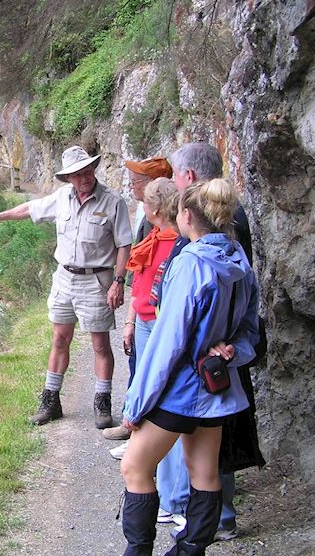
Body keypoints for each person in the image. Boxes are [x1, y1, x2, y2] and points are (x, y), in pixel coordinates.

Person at [119, 178, 260, 555]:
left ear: (186, 216)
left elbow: (168, 342)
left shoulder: (190, 263)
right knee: (204, 473)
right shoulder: (237, 258)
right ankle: (190, 551)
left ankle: (139, 551)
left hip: (182, 388)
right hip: (217, 385)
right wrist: (231, 352)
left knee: (134, 466)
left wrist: (136, 405)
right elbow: (250, 331)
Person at [0, 145, 132, 428]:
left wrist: (119, 281)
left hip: (96, 280)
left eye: (87, 172)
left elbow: (124, 244)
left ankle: (102, 402)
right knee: (59, 339)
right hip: (64, 279)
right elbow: (29, 209)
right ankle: (50, 401)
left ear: (93, 170)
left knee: (99, 344)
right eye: (77, 175)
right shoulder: (61, 198)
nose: (84, 178)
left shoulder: (112, 202)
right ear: (68, 178)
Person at [155, 142, 264, 540]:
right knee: (209, 444)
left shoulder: (211, 230)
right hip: (219, 353)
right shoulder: (224, 216)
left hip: (211, 356)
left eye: (175, 173)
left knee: (212, 442)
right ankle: (207, 520)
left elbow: (221, 297)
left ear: (188, 177)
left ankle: (213, 518)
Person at [104, 178, 178, 461]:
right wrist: (130, 322)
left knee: (157, 386)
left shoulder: (177, 244)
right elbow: (140, 282)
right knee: (142, 381)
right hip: (144, 321)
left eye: (146, 202)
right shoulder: (153, 235)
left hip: (160, 324)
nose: (142, 206)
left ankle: (148, 448)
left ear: (156, 209)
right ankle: (138, 440)